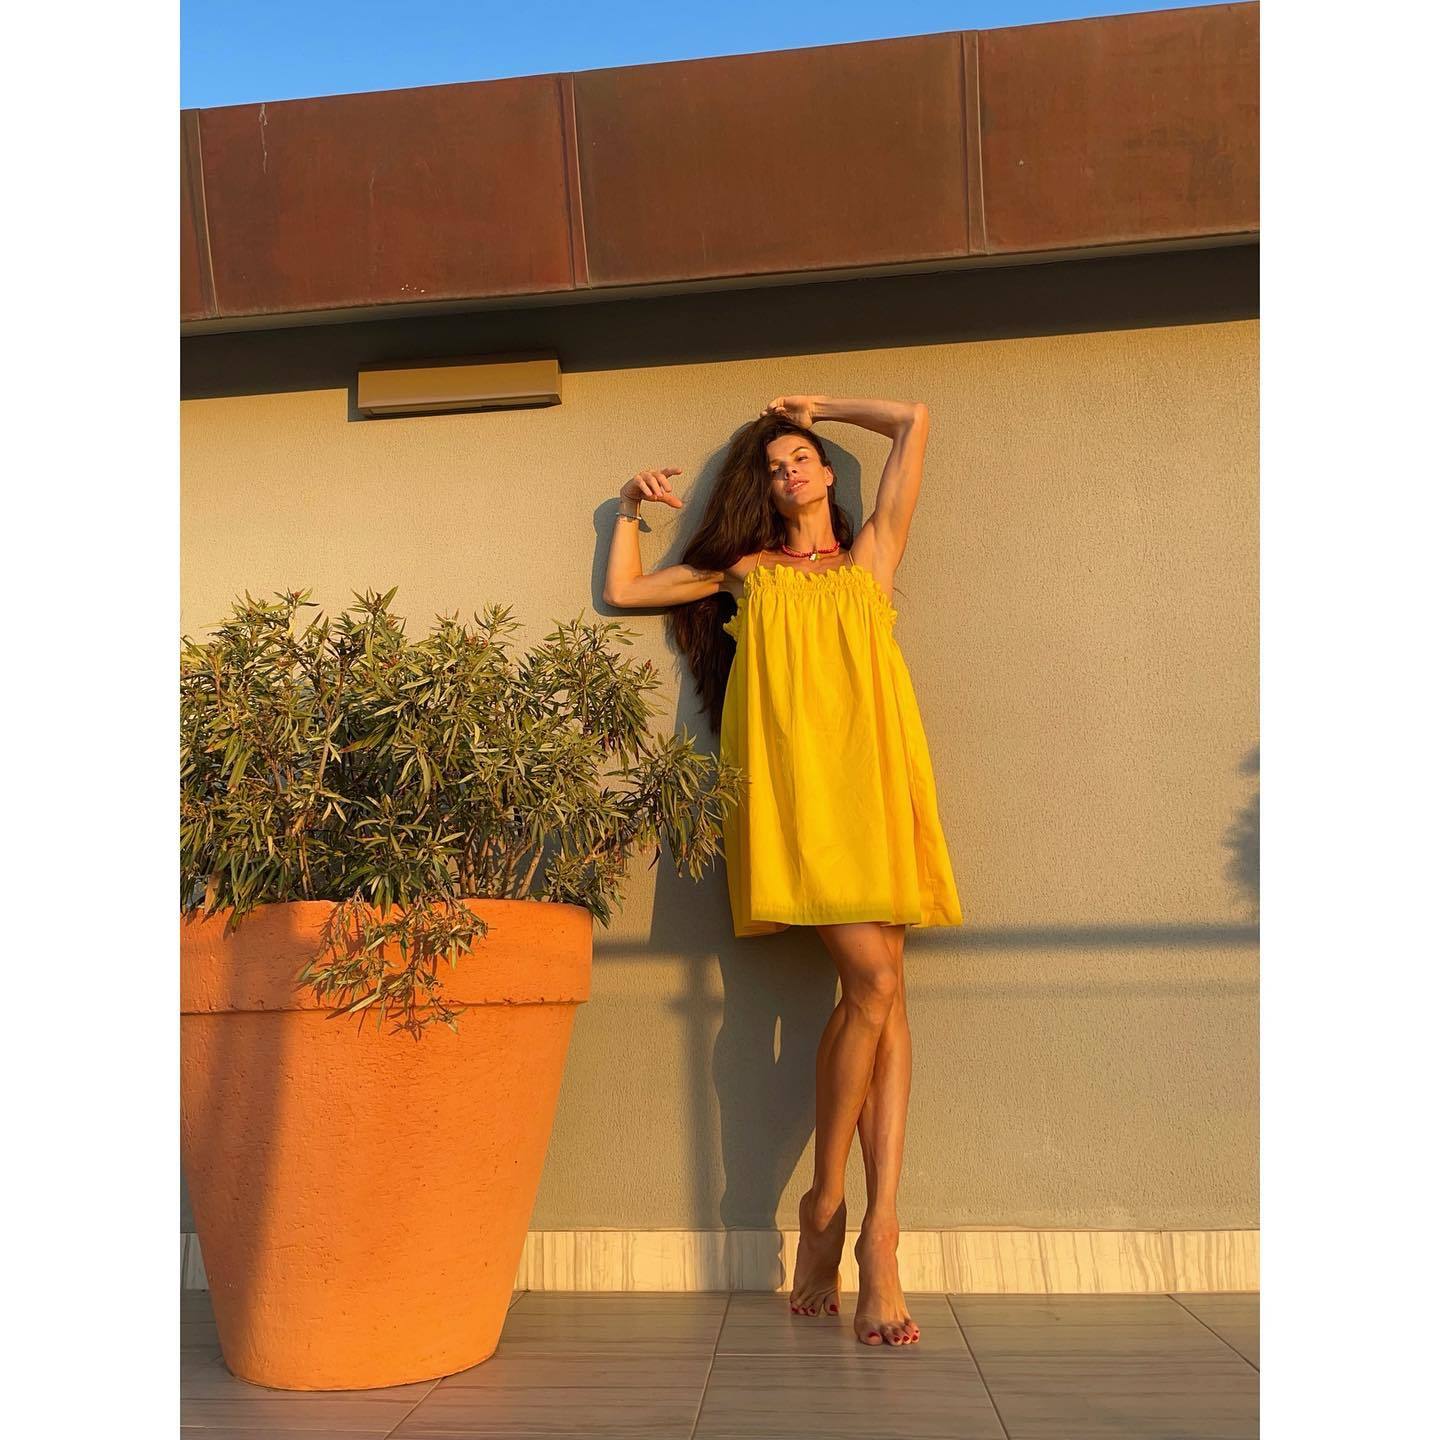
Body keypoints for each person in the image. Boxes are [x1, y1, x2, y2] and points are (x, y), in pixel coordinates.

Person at [602, 394, 965, 1347]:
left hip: (877, 781)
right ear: (762, 490)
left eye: (803, 456)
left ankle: (868, 1228)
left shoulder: (874, 552)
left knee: (885, 994)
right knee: (876, 986)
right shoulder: (747, 572)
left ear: (829, 472)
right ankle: (837, 1212)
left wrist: (822, 405)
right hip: (804, 798)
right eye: (775, 465)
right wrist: (627, 510)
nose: (789, 470)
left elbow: (914, 421)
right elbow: (626, 592)